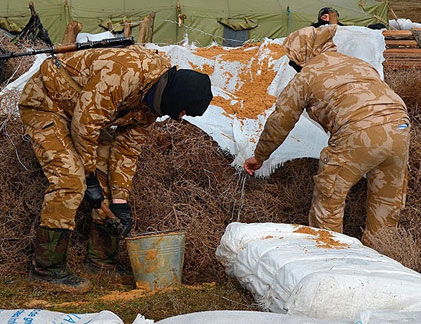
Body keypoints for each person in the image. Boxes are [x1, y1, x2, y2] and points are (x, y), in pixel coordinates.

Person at [19, 45, 213, 293]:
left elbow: (127, 150)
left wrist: (121, 201)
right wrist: (89, 178)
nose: (179, 118)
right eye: (184, 112)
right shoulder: (125, 73)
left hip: (79, 114)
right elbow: (85, 126)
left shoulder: (152, 101)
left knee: (108, 184)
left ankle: (100, 262)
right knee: (70, 180)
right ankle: (46, 269)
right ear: (178, 96)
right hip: (47, 104)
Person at [244, 25, 410, 247]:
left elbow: (281, 120)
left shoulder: (307, 75)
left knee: (329, 197)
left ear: (303, 54)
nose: (293, 66)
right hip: (400, 127)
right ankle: (382, 263)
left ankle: (331, 261)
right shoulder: (359, 64)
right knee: (387, 206)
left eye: (293, 61)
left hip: (359, 132)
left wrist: (259, 156)